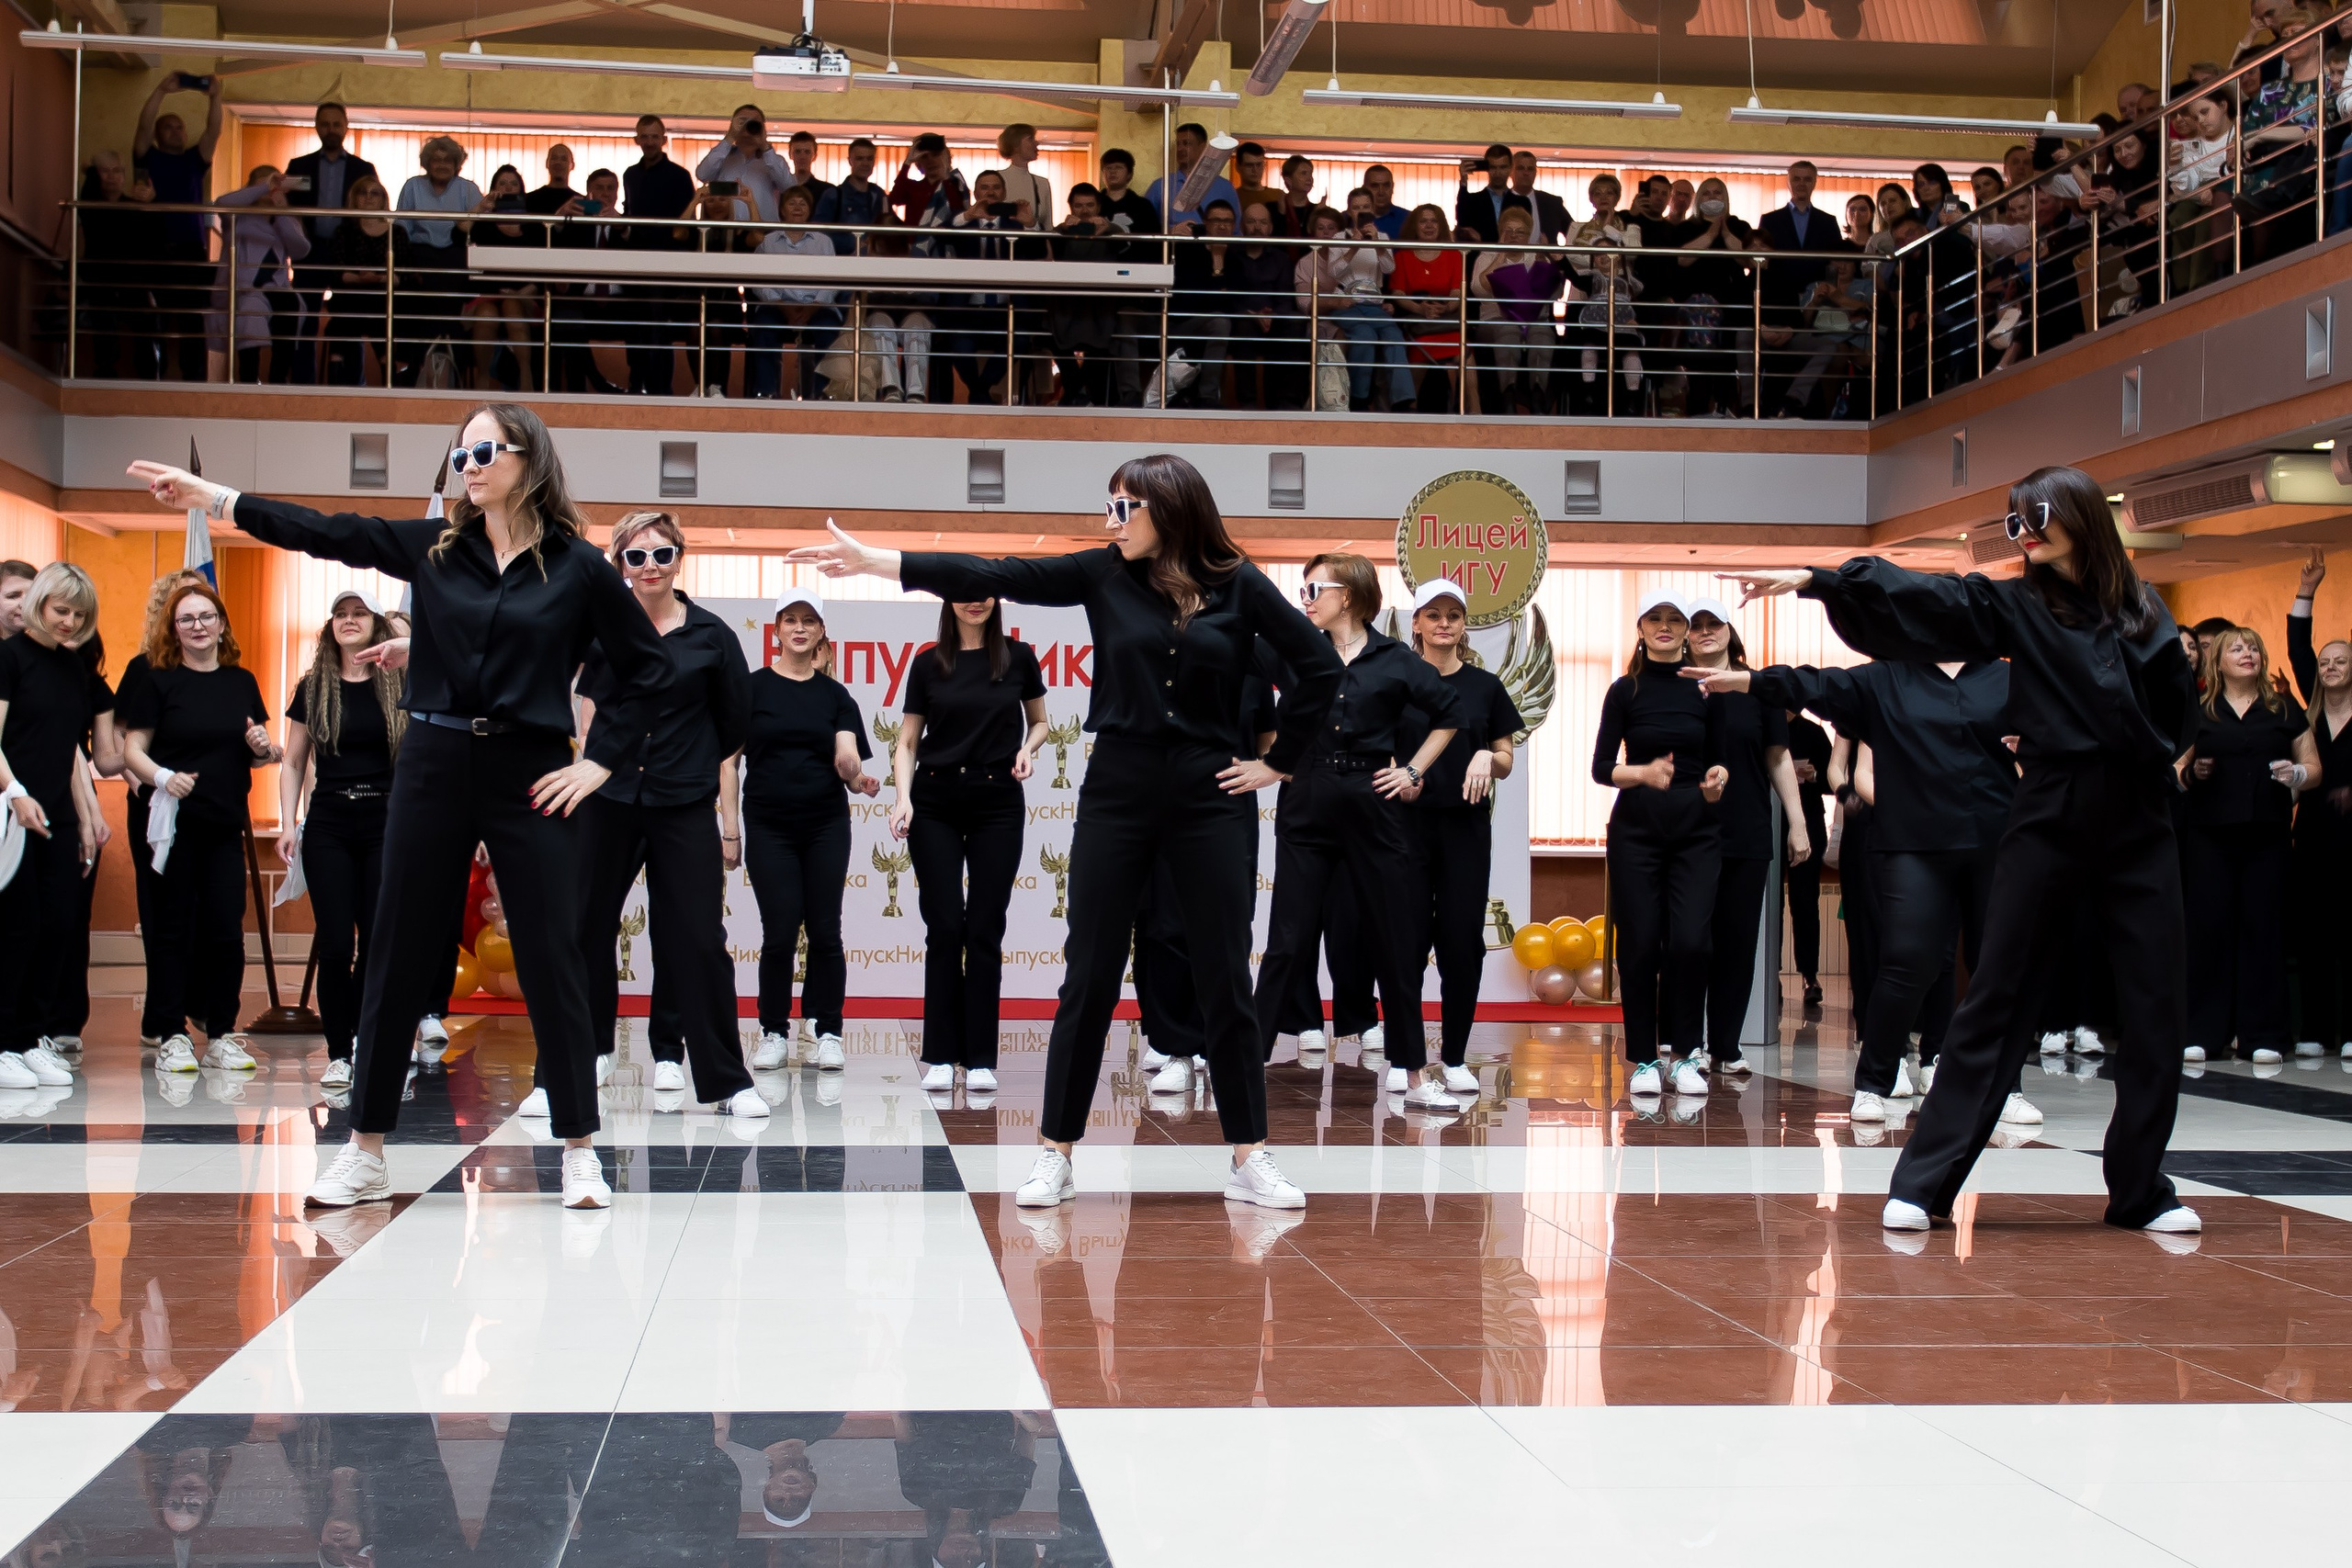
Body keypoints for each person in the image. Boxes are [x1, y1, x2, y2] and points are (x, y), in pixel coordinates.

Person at [130, 403, 673, 1212]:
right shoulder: (438, 550)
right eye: (461, 454)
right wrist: (218, 498)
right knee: (396, 950)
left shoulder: (578, 567)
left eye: (486, 450)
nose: (470, 465)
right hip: (432, 759)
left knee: (555, 953)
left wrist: (597, 764)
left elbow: (648, 671)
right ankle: (366, 1147)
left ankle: (579, 1148)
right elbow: (326, 529)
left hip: (528, 766)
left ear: (529, 459)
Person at [790, 455, 1342, 1211]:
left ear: (1169, 509)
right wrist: (877, 560)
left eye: (1124, 508)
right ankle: (1056, 1150)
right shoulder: (1101, 574)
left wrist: (1277, 764)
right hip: (1118, 790)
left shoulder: (1238, 584)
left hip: (1209, 795)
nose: (1109, 522)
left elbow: (1319, 669)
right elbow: (994, 569)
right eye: (1108, 507)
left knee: (1222, 973)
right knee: (1089, 971)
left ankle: (1250, 1153)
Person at [1721, 464, 2203, 1235]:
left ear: (2080, 513)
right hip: (2049, 807)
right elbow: (1932, 599)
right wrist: (1822, 578)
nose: (2024, 531)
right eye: (2013, 520)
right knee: (1998, 994)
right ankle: (1926, 1182)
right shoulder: (2014, 604)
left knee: (2155, 1004)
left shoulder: (2145, 611)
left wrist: (2156, 763)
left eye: (2036, 514)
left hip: (2140, 817)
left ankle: (2141, 1189)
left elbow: (2176, 713)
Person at [1697, 653, 2039, 1123]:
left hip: (1992, 842)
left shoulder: (2008, 677)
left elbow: (2040, 755)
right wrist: (1750, 680)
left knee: (1996, 964)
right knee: (1905, 958)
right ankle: (1877, 1077)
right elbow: (1822, 690)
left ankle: (2003, 1085)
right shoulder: (1892, 679)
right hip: (1913, 842)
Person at [574, 512, 765, 1117]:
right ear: (620, 565)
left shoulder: (712, 635)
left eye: (661, 554)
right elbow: (584, 702)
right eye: (636, 556)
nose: (650, 566)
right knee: (583, 930)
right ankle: (575, 1061)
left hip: (683, 802)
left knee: (699, 940)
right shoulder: (601, 632)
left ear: (679, 559)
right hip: (607, 800)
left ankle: (725, 1080)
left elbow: (735, 721)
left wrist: (693, 760)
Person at [1254, 554, 1457, 1102]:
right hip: (1308, 796)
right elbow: (1241, 672)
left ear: (1348, 595)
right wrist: (1273, 757)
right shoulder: (1294, 650)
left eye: (1314, 588)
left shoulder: (1395, 659)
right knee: (1287, 939)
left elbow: (1449, 714)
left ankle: (1413, 1072)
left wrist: (1413, 769)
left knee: (1393, 937)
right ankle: (1245, 1064)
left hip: (1373, 801)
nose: (1306, 598)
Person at [117, 580, 277, 1077]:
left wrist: (259, 745)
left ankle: (225, 1033)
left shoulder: (241, 680)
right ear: (174, 629)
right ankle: (172, 1035)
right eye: (186, 619)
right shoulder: (158, 678)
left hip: (225, 826)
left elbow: (259, 757)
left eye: (206, 617)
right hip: (171, 827)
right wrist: (164, 778)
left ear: (222, 623)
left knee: (226, 932)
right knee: (171, 930)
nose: (198, 626)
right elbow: (131, 751)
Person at [890, 597, 1047, 1092]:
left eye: (984, 592)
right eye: (964, 592)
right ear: (949, 601)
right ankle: (939, 1055)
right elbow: (908, 741)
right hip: (933, 800)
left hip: (998, 801)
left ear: (996, 599)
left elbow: (1040, 721)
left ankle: (980, 1057)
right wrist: (902, 798)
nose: (975, 601)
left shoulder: (1018, 656)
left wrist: (1028, 747)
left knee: (983, 928)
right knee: (943, 926)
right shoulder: (928, 661)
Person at [741, 587, 880, 1073]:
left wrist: (857, 776)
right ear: (776, 631)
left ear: (821, 632)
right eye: (790, 620)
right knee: (779, 933)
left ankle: (828, 1030)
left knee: (825, 931)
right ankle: (774, 1031)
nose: (799, 628)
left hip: (825, 824)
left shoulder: (835, 695)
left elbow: (846, 756)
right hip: (767, 825)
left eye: (809, 621)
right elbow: (727, 759)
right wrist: (727, 828)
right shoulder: (752, 687)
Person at [1593, 593, 1728, 1097]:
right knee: (1641, 945)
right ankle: (1645, 1060)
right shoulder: (1624, 690)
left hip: (1698, 832)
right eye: (1657, 619)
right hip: (1636, 833)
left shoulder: (1706, 689)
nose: (1666, 627)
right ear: (1642, 627)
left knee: (1692, 942)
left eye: (1676, 620)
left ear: (1688, 631)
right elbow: (1601, 768)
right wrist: (1644, 774)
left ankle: (1686, 1054)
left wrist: (1717, 779)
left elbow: (1719, 761)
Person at [1396, 579, 1520, 1093]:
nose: (1444, 622)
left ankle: (1453, 1058)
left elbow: (1506, 757)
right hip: (1404, 828)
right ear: (1417, 623)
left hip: (1466, 831)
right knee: (1402, 945)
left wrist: (1489, 757)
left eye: (1454, 614)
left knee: (1461, 944)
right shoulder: (1395, 681)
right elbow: (1374, 742)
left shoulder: (1485, 687)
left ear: (1464, 625)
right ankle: (1406, 1063)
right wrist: (1397, 775)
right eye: (1434, 614)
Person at [278, 589, 405, 1089]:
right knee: (335, 942)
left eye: (359, 613)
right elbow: (291, 762)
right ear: (330, 625)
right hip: (329, 822)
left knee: (377, 940)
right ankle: (338, 1051)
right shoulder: (313, 686)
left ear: (377, 624)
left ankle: (368, 1039)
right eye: (340, 614)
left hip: (386, 823)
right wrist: (288, 822)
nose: (349, 620)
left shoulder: (398, 682)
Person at [0, 563, 117, 1089]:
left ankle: (31, 1038)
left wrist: (88, 816)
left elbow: (76, 752)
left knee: (58, 927)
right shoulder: (7, 658)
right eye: (59, 610)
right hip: (11, 814)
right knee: (16, 930)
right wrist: (15, 793)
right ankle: (4, 1043)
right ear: (39, 605)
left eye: (77, 613)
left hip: (58, 818)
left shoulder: (75, 670)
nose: (68, 621)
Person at [1681, 598, 1807, 1079]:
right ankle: (1688, 1044)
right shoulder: (1676, 688)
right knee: (1691, 943)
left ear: (1731, 632)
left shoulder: (1760, 689)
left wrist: (1796, 822)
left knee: (1738, 944)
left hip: (1748, 831)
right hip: (1688, 835)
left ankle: (1726, 1046)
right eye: (1697, 626)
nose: (1706, 632)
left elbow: (1778, 758)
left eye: (1715, 624)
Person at [2180, 625, 2318, 1065]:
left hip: (2267, 835)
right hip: (2209, 837)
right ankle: (2204, 1032)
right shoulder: (2199, 709)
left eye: (2254, 648)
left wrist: (2295, 777)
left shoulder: (2283, 708)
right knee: (2208, 932)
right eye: (2237, 648)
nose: (2248, 654)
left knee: (2264, 930)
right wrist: (2192, 774)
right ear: (2218, 660)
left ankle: (2263, 1034)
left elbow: (2312, 765)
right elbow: (2174, 767)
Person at [2287, 549, 2352, 1058]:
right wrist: (2306, 593)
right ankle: (2313, 1031)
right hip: (2310, 835)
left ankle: (2351, 1031)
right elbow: (2298, 647)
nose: (2329, 668)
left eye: (2340, 662)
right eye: (2326, 663)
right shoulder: (2309, 710)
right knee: (2311, 933)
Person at [132, 72, 225, 380]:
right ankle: (149, 376)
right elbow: (143, 126)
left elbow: (213, 131)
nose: (174, 132)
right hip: (153, 247)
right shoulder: (148, 157)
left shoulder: (193, 160)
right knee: (150, 315)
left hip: (190, 249)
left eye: (179, 127)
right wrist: (161, 90)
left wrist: (215, 97)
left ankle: (194, 378)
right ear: (159, 134)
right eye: (168, 127)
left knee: (192, 320)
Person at [284, 102, 378, 386]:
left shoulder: (364, 168)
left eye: (337, 124)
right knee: (304, 321)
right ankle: (303, 386)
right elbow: (290, 211)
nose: (331, 129)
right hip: (310, 253)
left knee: (350, 320)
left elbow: (372, 214)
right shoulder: (298, 166)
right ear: (316, 126)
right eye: (325, 124)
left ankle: (352, 387)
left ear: (346, 126)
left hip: (349, 255)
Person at [1297, 199, 1408, 412]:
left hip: (1373, 303)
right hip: (1346, 304)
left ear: (1373, 211)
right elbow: (1335, 273)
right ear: (1349, 211)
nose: (1361, 212)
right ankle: (1358, 397)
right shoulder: (1340, 238)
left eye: (1366, 208)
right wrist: (1354, 247)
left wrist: (1376, 245)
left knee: (1394, 334)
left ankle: (1403, 399)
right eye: (1357, 208)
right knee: (1364, 335)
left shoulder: (1382, 237)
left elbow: (1389, 268)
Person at [210, 167, 311, 384]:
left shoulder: (283, 220)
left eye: (276, 184)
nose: (270, 189)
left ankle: (278, 379)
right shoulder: (237, 218)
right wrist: (264, 185)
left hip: (275, 291)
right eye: (264, 184)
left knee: (291, 303)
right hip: (243, 288)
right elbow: (221, 203)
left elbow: (301, 250)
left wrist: (282, 212)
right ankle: (248, 380)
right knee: (249, 308)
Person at [623, 115, 696, 396]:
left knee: (658, 330)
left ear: (663, 140)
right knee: (636, 327)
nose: (650, 142)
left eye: (655, 136)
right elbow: (631, 216)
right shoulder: (630, 174)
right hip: (635, 263)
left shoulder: (679, 175)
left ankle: (659, 390)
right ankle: (635, 385)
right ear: (637, 139)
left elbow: (686, 226)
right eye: (645, 136)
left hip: (667, 263)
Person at [1470, 205, 1566, 415]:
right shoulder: (1487, 256)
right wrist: (1500, 256)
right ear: (1500, 232)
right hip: (1495, 320)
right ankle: (1508, 396)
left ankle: (1539, 395)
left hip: (1533, 320)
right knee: (1508, 330)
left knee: (1542, 334)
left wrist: (1544, 267)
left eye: (1519, 232)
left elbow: (1556, 293)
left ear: (1529, 234)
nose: (1514, 236)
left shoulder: (1536, 255)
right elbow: (1479, 289)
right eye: (1508, 231)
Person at [462, 164, 546, 392]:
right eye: (502, 183)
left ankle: (525, 375)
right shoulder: (484, 223)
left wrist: (521, 293)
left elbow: (542, 272)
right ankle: (482, 378)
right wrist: (482, 207)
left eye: (513, 183)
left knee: (511, 305)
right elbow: (458, 232)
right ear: (493, 189)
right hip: (488, 296)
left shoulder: (534, 226)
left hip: (525, 296)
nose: (508, 188)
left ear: (521, 189)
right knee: (488, 313)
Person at [317, 174, 398, 387]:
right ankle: (335, 389)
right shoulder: (344, 231)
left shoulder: (395, 232)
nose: (369, 198)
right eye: (363, 193)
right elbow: (337, 271)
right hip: (350, 299)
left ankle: (390, 389)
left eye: (375, 193)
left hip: (383, 300)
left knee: (385, 320)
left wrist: (380, 277)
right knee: (341, 320)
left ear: (383, 199)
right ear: (354, 198)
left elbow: (404, 273)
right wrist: (359, 277)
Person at [1783, 707, 1831, 1007]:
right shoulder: (1765, 725)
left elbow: (1833, 780)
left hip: (1810, 821)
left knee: (1805, 902)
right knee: (1769, 905)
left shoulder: (1814, 732)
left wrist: (1813, 774)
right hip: (1771, 822)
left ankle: (1809, 976)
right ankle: (1768, 975)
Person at [695, 105, 795, 223]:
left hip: (763, 232)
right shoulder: (722, 157)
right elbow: (702, 174)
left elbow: (789, 188)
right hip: (728, 231)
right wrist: (730, 136)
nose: (748, 125)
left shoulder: (773, 160)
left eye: (754, 122)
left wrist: (765, 146)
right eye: (742, 121)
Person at [1144, 123, 1238, 231]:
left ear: (1203, 147)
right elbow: (1145, 226)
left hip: (1213, 247)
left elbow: (1236, 232)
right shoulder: (1160, 186)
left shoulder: (1225, 187)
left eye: (1186, 143)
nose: (1180, 149)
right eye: (1178, 144)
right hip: (1174, 246)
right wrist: (1170, 231)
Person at [989, 122, 1054, 228]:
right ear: (1015, 145)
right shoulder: (996, 180)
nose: (1037, 143)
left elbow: (1048, 226)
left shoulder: (1042, 183)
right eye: (1030, 139)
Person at [1455, 143, 1516, 243]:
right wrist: (1463, 181)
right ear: (1486, 168)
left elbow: (1523, 235)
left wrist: (1481, 239)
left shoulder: (1521, 201)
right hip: (1478, 257)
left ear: (1510, 168)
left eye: (1503, 167)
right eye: (1493, 167)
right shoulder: (1472, 201)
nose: (1498, 173)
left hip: (1511, 257)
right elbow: (1462, 222)